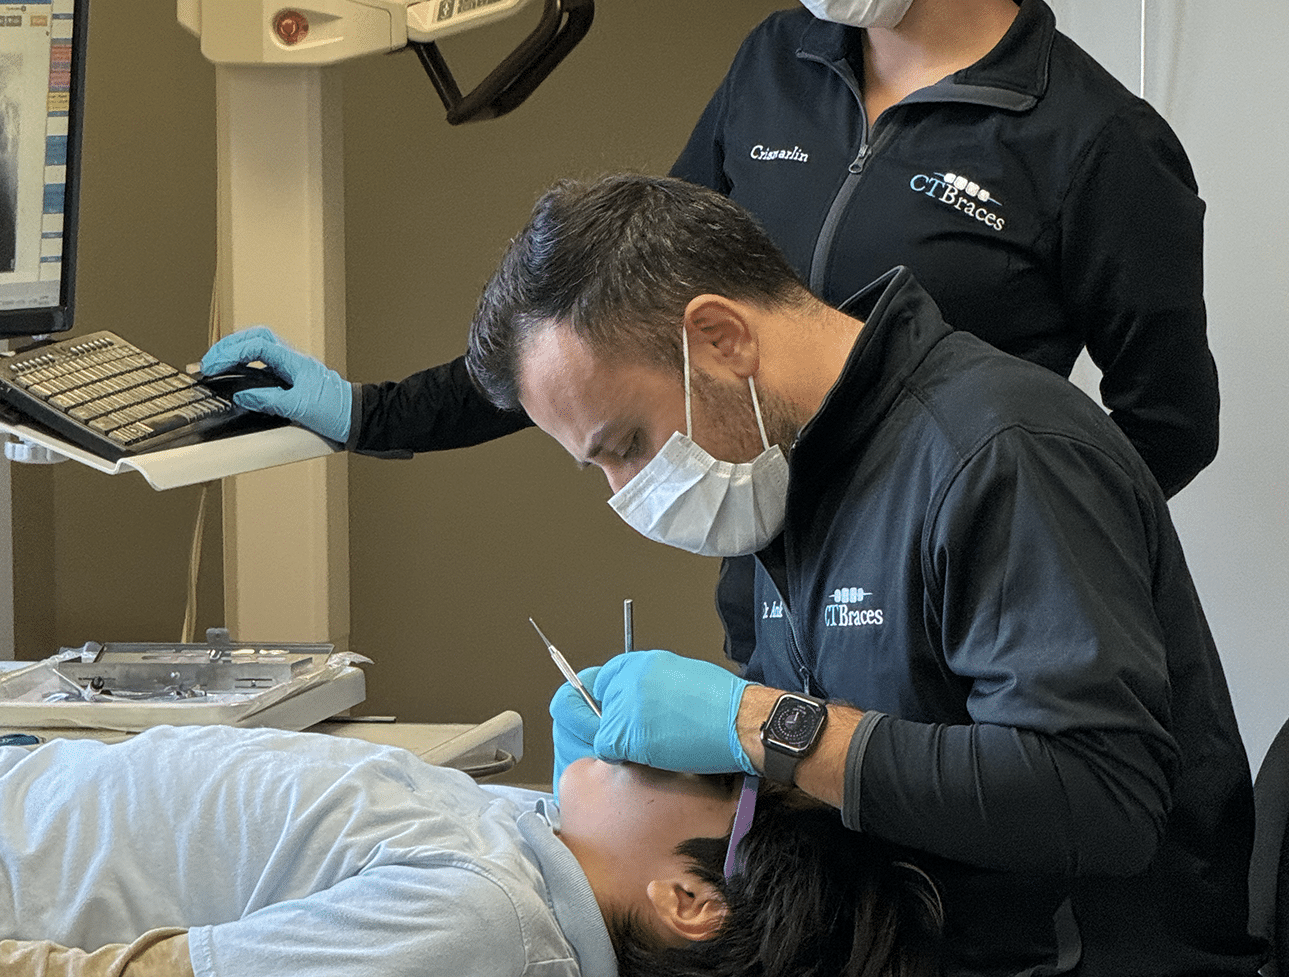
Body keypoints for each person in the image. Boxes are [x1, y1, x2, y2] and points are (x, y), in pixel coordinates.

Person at [201, 0, 1219, 664]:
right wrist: (366, 413)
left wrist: (999, 549)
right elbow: (612, 315)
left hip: (947, 623)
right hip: (778, 603)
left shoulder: (1093, 141)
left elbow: (1166, 425)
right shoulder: (773, 65)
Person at [461, 173, 1265, 977]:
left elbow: (1101, 800)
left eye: (627, 443)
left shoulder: (999, 453)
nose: (626, 491)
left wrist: (760, 724)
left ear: (719, 338)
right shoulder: (786, 479)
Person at [0, 722, 943, 977]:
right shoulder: (540, 844)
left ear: (691, 899)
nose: (679, 751)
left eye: (720, 783)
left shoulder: (488, 918)